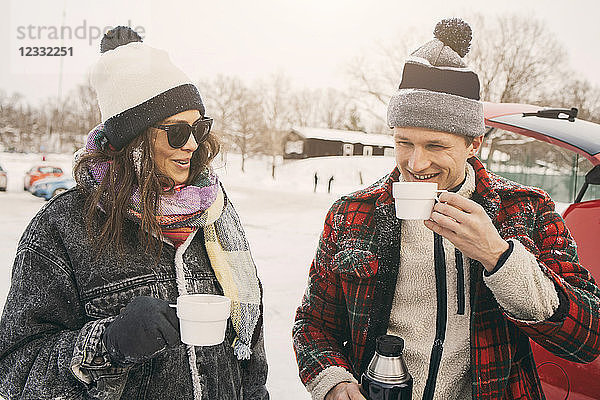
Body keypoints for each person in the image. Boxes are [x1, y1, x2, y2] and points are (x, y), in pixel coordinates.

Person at [293, 18, 600, 400]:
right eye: (404, 143)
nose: (416, 163)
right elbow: (313, 325)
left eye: (435, 146)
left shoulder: (527, 210)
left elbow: (587, 337)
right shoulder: (352, 214)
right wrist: (334, 382)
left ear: (473, 143)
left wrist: (497, 256)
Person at [0, 27, 269, 400]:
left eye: (199, 128)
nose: (192, 144)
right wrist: (107, 344)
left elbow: (251, 356)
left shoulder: (215, 213)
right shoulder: (61, 229)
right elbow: (16, 373)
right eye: (177, 132)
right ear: (135, 139)